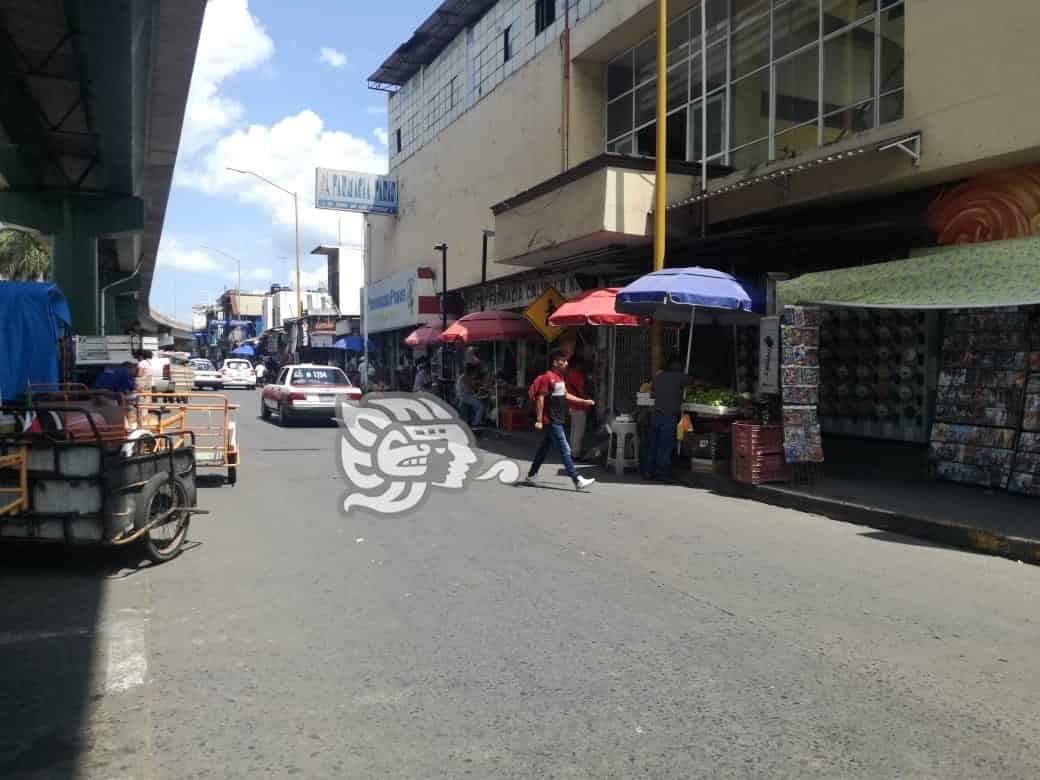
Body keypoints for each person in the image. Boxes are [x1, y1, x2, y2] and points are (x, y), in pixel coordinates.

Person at [525, 349, 596, 491]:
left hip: (558, 418)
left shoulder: (559, 378)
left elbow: (566, 395)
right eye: (563, 361)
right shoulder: (548, 377)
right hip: (551, 420)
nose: (566, 363)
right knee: (565, 449)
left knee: (543, 449)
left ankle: (532, 475)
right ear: (555, 363)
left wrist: (583, 401)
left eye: (566, 360)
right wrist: (539, 419)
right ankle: (576, 480)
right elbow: (540, 398)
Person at [642, 353, 690, 481]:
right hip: (668, 417)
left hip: (656, 416)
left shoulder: (658, 377)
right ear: (678, 365)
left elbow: (653, 392)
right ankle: (662, 474)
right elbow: (693, 383)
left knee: (653, 445)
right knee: (665, 447)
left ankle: (648, 472)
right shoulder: (680, 377)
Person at [565, 355, 590, 459]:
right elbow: (581, 391)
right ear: (577, 365)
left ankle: (571, 452)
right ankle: (575, 454)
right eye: (581, 365)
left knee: (573, 431)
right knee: (578, 432)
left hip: (572, 405)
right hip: (579, 406)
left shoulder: (568, 374)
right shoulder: (577, 375)